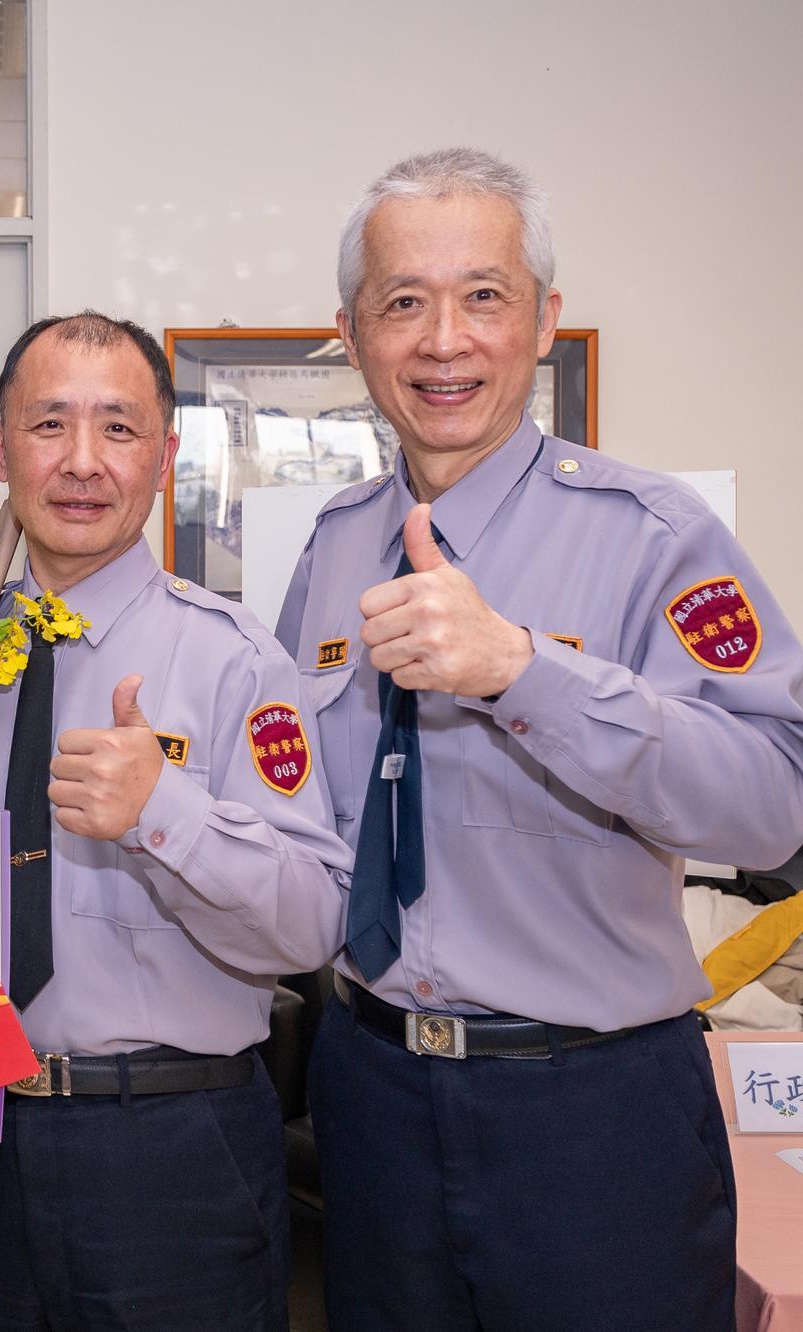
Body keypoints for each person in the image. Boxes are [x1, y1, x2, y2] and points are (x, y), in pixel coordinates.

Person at [276, 147, 803, 1330]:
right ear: (352, 336)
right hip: (366, 1090)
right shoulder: (328, 546)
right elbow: (294, 803)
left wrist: (524, 673)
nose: (442, 341)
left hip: (591, 1110)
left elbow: (775, 800)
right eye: (401, 303)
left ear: (543, 320)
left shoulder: (653, 535)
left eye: (482, 296)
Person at [0, 312, 352, 1330]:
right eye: (48, 425)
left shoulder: (235, 659)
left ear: (162, 456)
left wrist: (164, 814)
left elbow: (314, 921)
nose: (82, 462)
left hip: (174, 1147)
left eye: (117, 428)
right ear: (0, 448)